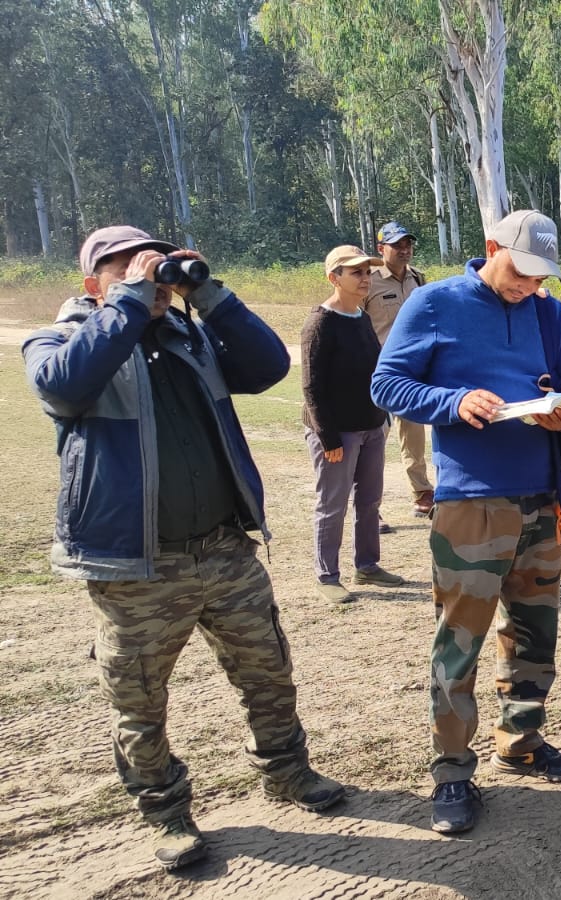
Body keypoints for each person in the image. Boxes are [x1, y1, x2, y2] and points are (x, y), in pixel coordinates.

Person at [22, 226, 346, 870]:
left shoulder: (189, 334)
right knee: (139, 700)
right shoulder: (59, 338)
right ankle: (166, 813)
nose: (150, 273)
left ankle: (287, 772)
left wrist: (212, 294)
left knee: (268, 673)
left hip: (224, 547)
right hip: (136, 564)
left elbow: (268, 367)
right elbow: (61, 386)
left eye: (156, 262)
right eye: (126, 267)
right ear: (93, 285)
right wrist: (130, 301)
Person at [371, 209, 561, 835]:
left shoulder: (548, 312)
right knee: (459, 641)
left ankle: (520, 740)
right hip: (471, 501)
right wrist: (453, 400)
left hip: (540, 497)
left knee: (533, 633)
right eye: (520, 272)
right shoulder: (436, 303)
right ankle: (451, 772)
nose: (529, 286)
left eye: (540, 276)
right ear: (491, 248)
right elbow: (386, 385)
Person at [303, 246, 406, 602]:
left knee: (370, 500)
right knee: (332, 504)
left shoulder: (361, 316)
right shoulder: (320, 323)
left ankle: (367, 565)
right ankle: (327, 576)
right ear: (334, 278)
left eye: (366, 271)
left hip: (371, 425)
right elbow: (311, 387)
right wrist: (327, 436)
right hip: (337, 432)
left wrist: (383, 417)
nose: (365, 278)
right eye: (356, 273)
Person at [364, 221, 434, 519]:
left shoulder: (418, 279)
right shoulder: (368, 280)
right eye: (397, 245)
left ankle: (421, 493)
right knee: (373, 439)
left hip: (410, 372)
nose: (404, 250)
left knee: (413, 436)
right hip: (375, 372)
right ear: (382, 249)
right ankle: (370, 505)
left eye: (408, 244)